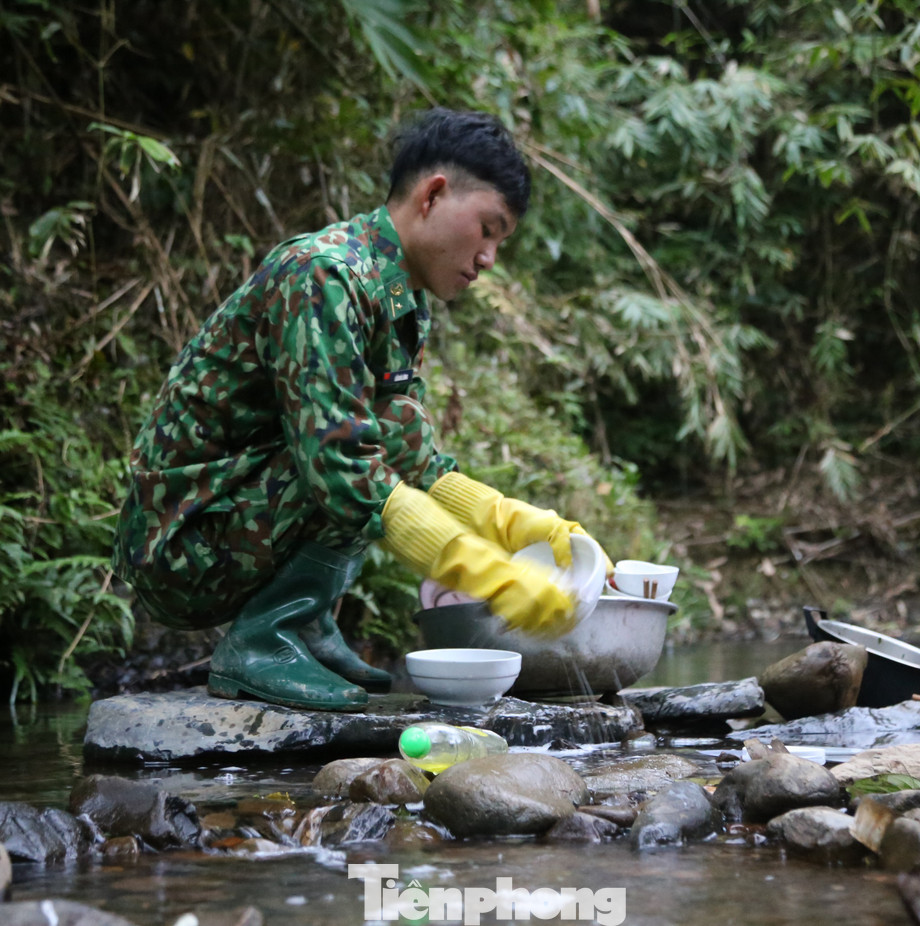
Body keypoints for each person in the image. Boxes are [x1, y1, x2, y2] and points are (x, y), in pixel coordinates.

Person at [112, 108, 605, 712]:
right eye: (488, 229)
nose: (489, 258)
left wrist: (518, 524)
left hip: (238, 516)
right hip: (182, 542)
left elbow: (412, 456)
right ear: (434, 194)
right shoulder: (325, 274)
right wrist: (480, 571)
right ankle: (263, 641)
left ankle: (304, 623)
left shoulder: (401, 297)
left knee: (390, 425)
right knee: (351, 451)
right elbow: (340, 465)